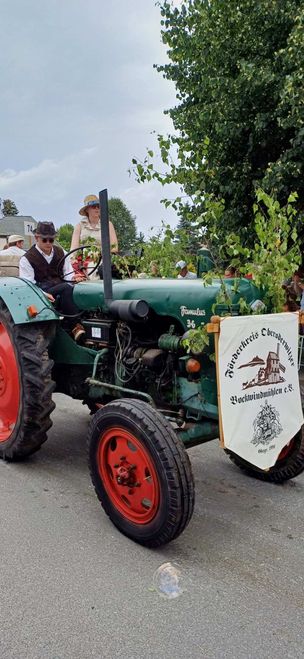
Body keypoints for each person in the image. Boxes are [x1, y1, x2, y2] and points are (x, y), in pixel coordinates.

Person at [19, 221, 86, 341]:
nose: (48, 243)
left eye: (51, 240)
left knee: (79, 289)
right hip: (41, 291)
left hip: (61, 286)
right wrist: (43, 294)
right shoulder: (27, 259)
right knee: (66, 288)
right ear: (37, 238)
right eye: (45, 240)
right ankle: (75, 326)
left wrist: (75, 278)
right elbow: (28, 285)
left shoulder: (62, 253)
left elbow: (68, 274)